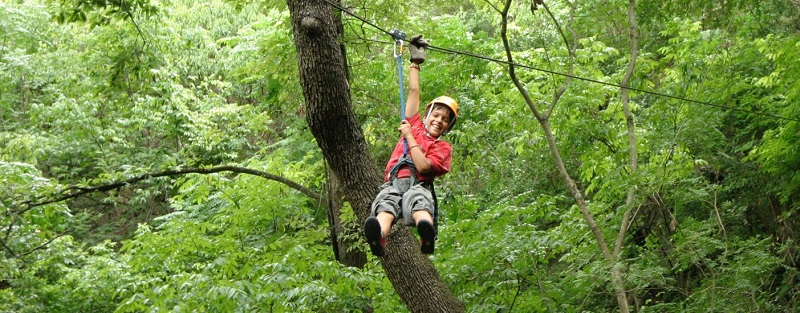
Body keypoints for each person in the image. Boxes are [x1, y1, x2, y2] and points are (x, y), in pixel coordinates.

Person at [363, 34, 459, 256]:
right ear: (427, 116)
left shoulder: (442, 147)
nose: (439, 121)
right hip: (394, 182)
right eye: (436, 115)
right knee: (386, 203)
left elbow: (424, 167)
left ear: (447, 128)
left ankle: (426, 232)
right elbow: (414, 91)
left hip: (418, 183)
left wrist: (409, 137)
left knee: (418, 201)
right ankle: (380, 235)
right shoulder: (414, 123)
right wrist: (415, 63)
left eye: (445, 120)